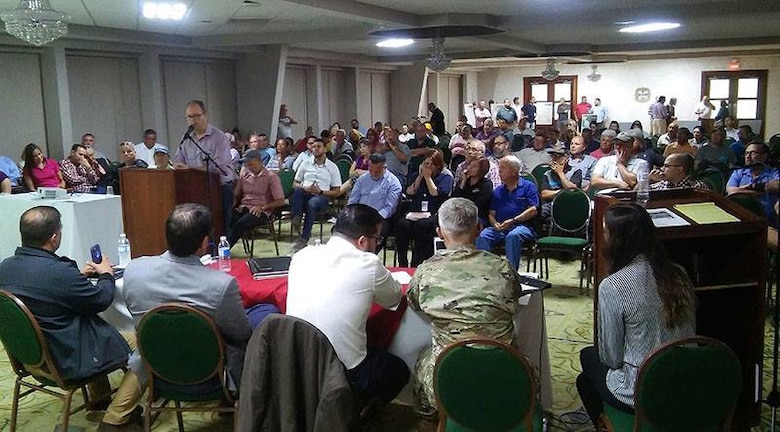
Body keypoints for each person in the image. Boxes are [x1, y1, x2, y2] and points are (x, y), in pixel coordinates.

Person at [105, 204, 253, 430]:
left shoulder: (134, 270)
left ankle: (114, 418)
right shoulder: (221, 285)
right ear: (204, 242)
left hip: (155, 367)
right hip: (210, 376)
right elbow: (241, 334)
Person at [0, 207, 133, 430]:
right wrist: (107, 273)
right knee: (139, 343)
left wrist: (78, 279)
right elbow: (100, 300)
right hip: (65, 358)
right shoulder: (59, 274)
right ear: (54, 238)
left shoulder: (5, 268)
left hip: (31, 358)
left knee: (89, 327)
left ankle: (99, 402)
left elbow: (43, 291)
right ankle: (115, 418)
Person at [576, 204, 696, 426]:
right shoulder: (679, 272)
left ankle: (614, 425)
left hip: (642, 389)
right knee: (588, 376)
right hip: (685, 380)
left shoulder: (613, 285)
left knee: (587, 361)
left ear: (616, 240)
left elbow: (611, 357)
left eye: (604, 232)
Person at [407, 197, 521, 415]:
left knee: (422, 358)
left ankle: (433, 419)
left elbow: (414, 303)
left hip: (448, 384)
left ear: (440, 232)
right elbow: (515, 298)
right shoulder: (502, 267)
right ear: (479, 228)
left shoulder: (426, 271)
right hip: (509, 380)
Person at [286, 204, 409, 405]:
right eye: (377, 239)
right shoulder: (368, 264)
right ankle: (353, 410)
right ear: (362, 241)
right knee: (397, 370)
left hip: (297, 363)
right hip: (343, 372)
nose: (377, 245)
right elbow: (394, 298)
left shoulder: (301, 255)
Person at [174, 100, 236, 233]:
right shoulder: (186, 139)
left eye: (196, 115)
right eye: (189, 117)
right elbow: (179, 162)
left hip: (220, 189)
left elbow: (220, 167)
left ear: (205, 115)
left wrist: (191, 169)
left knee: (221, 229)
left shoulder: (219, 138)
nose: (193, 120)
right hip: (195, 190)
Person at [475, 155, 538, 271]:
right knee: (483, 236)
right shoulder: (498, 190)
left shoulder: (529, 187)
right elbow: (491, 213)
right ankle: (486, 271)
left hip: (522, 226)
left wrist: (514, 220)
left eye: (503, 168)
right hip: (500, 227)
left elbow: (533, 210)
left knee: (513, 236)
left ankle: (511, 273)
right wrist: (494, 223)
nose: (499, 171)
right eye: (499, 168)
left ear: (514, 171)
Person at [395, 149, 453, 267]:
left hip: (433, 214)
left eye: (432, 164)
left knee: (422, 226)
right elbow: (410, 191)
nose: (429, 167)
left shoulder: (445, 178)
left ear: (438, 166)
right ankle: (402, 262)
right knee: (402, 224)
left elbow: (435, 193)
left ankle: (417, 263)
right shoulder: (416, 176)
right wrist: (421, 176)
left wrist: (428, 178)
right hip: (415, 212)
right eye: (426, 164)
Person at [290, 138, 341, 252]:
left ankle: (304, 238)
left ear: (325, 149)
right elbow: (294, 184)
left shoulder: (332, 167)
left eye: (318, 146)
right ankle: (297, 217)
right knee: (298, 191)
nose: (315, 149)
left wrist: (321, 192)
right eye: (313, 147)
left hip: (322, 196)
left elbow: (337, 191)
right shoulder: (306, 163)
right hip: (305, 192)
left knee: (311, 204)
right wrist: (305, 187)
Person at [227, 149, 285, 246]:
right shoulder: (245, 174)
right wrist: (231, 205)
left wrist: (262, 207)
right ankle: (218, 248)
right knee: (226, 220)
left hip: (261, 210)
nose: (248, 166)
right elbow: (236, 194)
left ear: (259, 161)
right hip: (244, 207)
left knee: (240, 224)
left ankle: (223, 251)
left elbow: (280, 201)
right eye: (247, 164)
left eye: (251, 164)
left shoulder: (271, 177)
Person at [347, 153, 402, 237]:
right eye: (370, 170)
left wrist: (374, 218)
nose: (373, 174)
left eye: (377, 171)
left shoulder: (393, 183)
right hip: (359, 215)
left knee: (368, 233)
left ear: (384, 168)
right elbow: (353, 200)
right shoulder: (362, 179)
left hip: (380, 218)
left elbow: (389, 208)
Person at [727, 141, 780, 226]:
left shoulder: (773, 172)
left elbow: (777, 185)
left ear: (764, 156)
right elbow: (731, 191)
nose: (748, 157)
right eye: (746, 153)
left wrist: (751, 187)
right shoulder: (738, 172)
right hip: (741, 218)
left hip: (768, 222)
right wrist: (761, 191)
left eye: (752, 153)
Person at [453, 157, 492, 226]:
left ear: (481, 169)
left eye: (474, 167)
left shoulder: (486, 184)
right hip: (459, 214)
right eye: (469, 165)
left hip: (478, 217)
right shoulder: (463, 181)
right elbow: (454, 198)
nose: (469, 168)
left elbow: (479, 205)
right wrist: (463, 182)